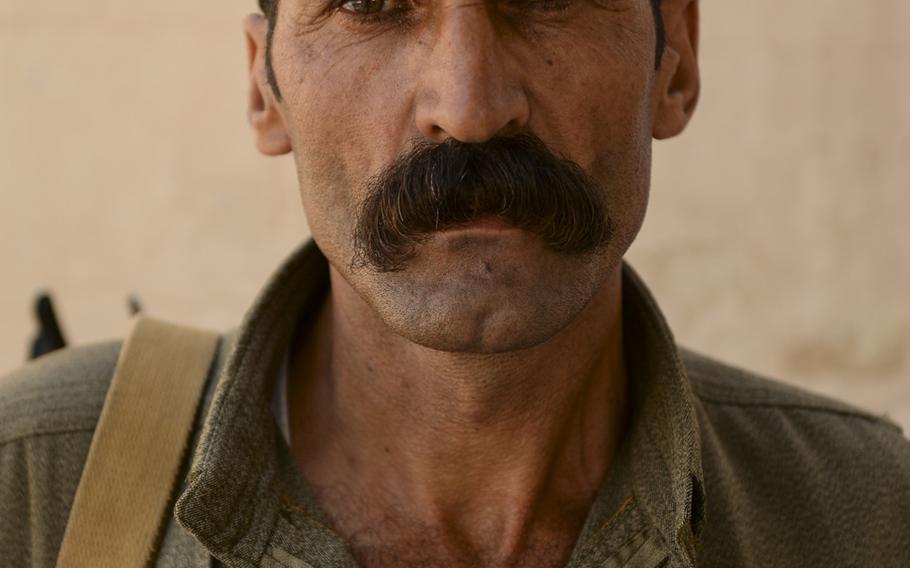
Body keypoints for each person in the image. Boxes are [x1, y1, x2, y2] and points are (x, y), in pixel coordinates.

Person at [2, 0, 909, 565]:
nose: (469, 108)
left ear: (676, 61)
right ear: (264, 88)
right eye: (372, 3)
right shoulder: (33, 493)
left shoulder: (871, 519)